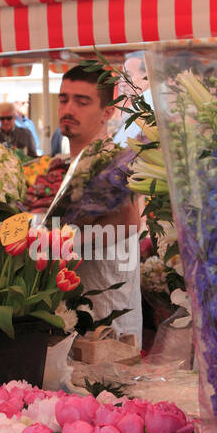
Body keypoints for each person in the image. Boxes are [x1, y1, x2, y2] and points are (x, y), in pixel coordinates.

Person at [54, 65, 143, 342]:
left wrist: (59, 242)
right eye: (64, 99)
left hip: (108, 311)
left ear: (107, 112)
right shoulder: (64, 164)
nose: (69, 109)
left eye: (82, 102)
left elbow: (129, 223)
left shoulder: (113, 163)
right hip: (72, 305)